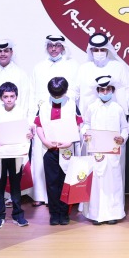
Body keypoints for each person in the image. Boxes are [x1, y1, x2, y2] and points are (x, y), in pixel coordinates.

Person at [0, 39, 34, 207]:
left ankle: (14, 196)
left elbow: (28, 101)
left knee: (15, 162)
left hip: (15, 125)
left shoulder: (21, 74)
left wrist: (28, 125)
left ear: (11, 52)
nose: (2, 53)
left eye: (6, 50)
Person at [30, 35, 80, 206]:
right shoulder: (39, 67)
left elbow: (75, 91)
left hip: (65, 116)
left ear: (63, 47)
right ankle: (43, 197)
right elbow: (33, 94)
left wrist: (61, 99)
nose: (53, 49)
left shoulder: (72, 66)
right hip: (45, 118)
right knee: (46, 162)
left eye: (57, 45)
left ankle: (66, 203)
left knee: (65, 167)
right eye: (50, 46)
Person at [33, 77, 82, 225]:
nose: (56, 98)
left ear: (66, 91)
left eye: (59, 95)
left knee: (65, 182)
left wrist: (71, 140)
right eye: (54, 95)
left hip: (67, 150)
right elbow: (38, 125)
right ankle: (54, 213)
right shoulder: (44, 106)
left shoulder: (72, 105)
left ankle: (64, 212)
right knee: (52, 183)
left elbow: (79, 124)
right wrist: (45, 141)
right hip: (50, 150)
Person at [81, 75, 129, 225]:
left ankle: (113, 214)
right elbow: (85, 124)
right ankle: (95, 214)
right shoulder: (92, 107)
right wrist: (85, 133)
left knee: (113, 183)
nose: (105, 92)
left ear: (112, 90)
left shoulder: (118, 108)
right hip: (96, 152)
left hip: (113, 153)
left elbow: (125, 128)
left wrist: (122, 137)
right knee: (96, 182)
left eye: (108, 89)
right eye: (102, 89)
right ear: (98, 91)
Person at [0, 82, 31, 228]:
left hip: (16, 153)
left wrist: (29, 135)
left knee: (16, 185)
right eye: (6, 96)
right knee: (0, 184)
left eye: (12, 96)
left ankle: (18, 215)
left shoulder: (21, 112)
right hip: (0, 154)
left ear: (16, 97)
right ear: (1, 98)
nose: (9, 99)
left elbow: (27, 131)